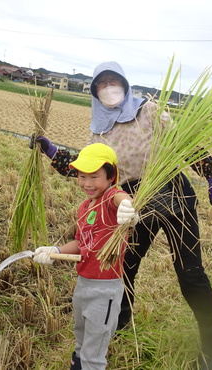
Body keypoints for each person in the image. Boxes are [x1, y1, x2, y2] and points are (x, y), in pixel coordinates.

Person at [32, 61, 212, 369]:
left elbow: (184, 143)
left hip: (172, 192)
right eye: (102, 83)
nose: (109, 88)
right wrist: (54, 152)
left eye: (114, 81)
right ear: (95, 91)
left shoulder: (149, 112)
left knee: (191, 275)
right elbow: (92, 171)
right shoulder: (98, 132)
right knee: (123, 266)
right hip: (132, 205)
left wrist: (211, 176)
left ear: (124, 83)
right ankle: (117, 323)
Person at [33, 142, 139, 370]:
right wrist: (56, 251)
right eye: (82, 176)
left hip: (106, 290)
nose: (87, 184)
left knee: (95, 350)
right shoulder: (84, 207)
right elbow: (82, 243)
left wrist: (128, 209)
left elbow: (123, 199)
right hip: (84, 284)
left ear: (111, 176)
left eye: (94, 177)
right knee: (81, 336)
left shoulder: (112, 198)